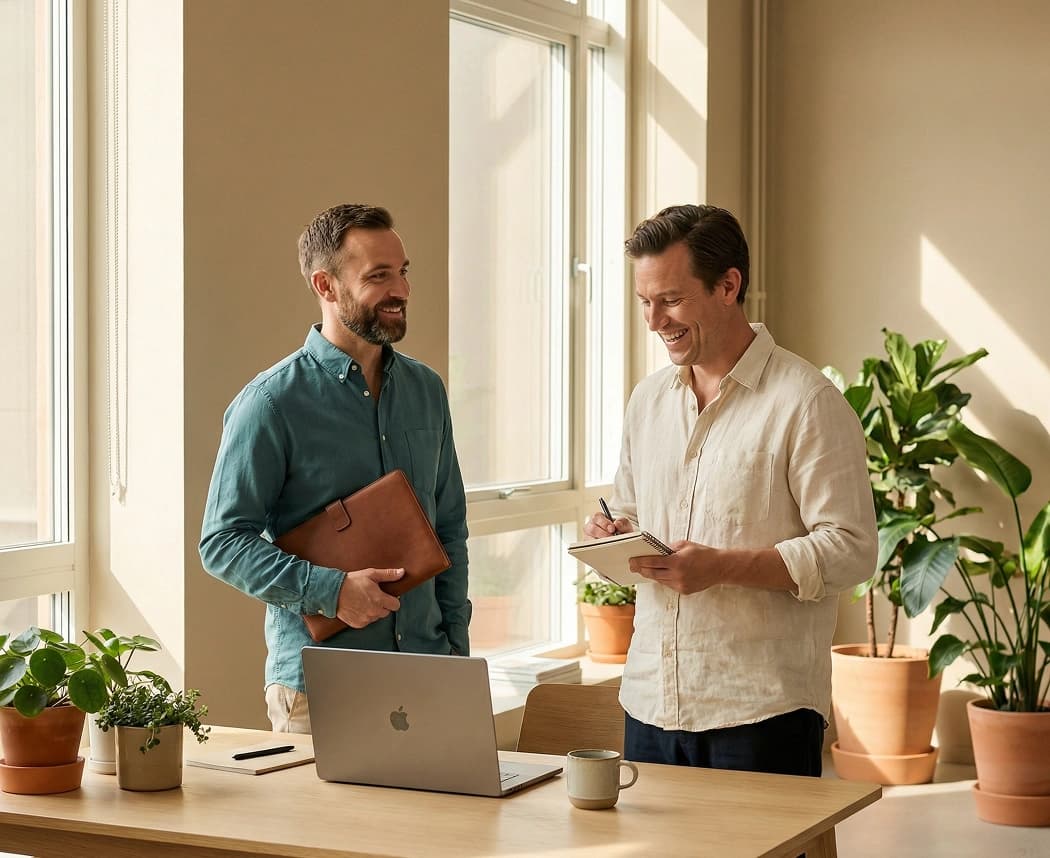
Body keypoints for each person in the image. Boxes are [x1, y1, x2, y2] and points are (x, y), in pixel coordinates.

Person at [583, 204, 876, 776]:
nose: (654, 320)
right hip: (650, 702)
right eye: (644, 302)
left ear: (728, 285)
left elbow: (851, 549)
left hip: (761, 710)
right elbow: (630, 511)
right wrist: (611, 535)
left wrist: (725, 567)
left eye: (669, 299)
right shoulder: (647, 402)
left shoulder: (806, 402)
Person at [199, 203, 470, 733]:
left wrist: (454, 650)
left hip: (428, 675)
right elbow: (222, 542)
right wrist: (332, 590)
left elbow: (450, 528)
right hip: (319, 688)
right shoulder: (271, 403)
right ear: (325, 285)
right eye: (378, 276)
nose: (402, 290)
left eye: (403, 271)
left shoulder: (427, 391)